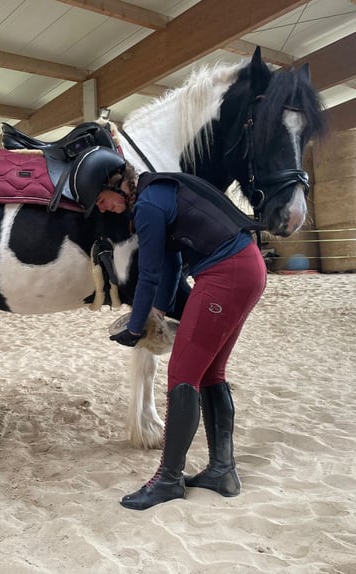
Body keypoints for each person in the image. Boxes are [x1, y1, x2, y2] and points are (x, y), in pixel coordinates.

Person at [75, 148, 267, 511]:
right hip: (247, 268)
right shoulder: (158, 193)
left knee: (182, 374)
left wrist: (135, 328)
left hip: (225, 274)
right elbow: (171, 261)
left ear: (118, 185)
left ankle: (169, 479)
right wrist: (158, 311)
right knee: (211, 372)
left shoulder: (147, 207)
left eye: (101, 200)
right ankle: (222, 472)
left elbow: (147, 274)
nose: (102, 208)